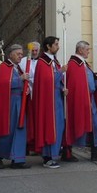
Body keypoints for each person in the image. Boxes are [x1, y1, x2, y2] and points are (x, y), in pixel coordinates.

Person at [63, 40, 97, 162]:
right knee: (81, 124)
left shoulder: (83, 64)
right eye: (87, 49)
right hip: (82, 99)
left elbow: (89, 80)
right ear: (80, 50)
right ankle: (68, 151)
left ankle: (96, 151)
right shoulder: (75, 65)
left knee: (95, 125)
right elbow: (78, 84)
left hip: (89, 98)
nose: (88, 52)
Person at [31, 36, 67, 169]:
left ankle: (55, 153)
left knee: (58, 127)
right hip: (48, 102)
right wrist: (61, 72)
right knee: (50, 127)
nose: (58, 47)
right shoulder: (43, 62)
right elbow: (48, 81)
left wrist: (63, 87)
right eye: (56, 44)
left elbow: (56, 80)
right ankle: (48, 157)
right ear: (48, 46)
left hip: (56, 99)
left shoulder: (53, 61)